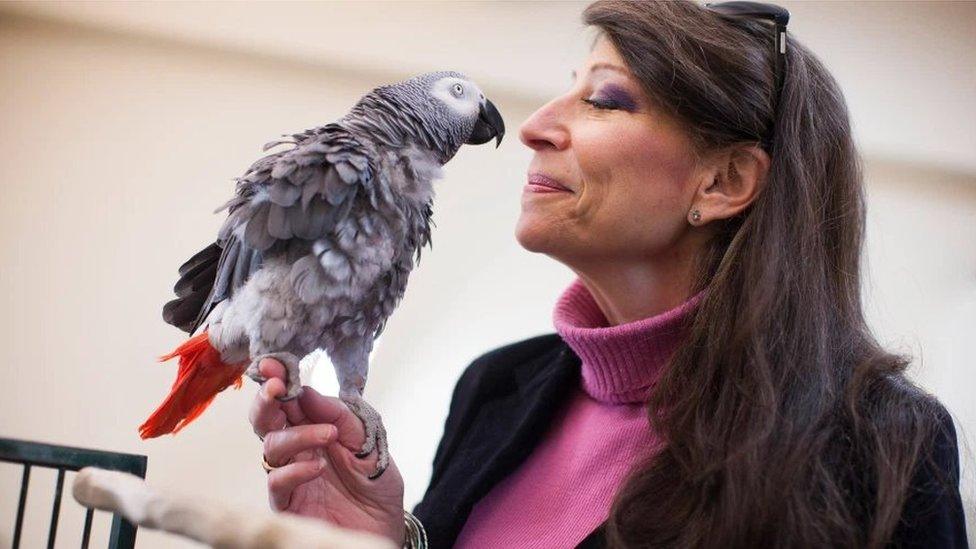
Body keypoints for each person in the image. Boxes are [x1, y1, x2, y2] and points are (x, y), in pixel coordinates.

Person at [248, 1, 968, 547]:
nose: (534, 126)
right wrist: (384, 537)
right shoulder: (494, 388)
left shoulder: (878, 442)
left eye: (603, 99)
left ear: (722, 182)